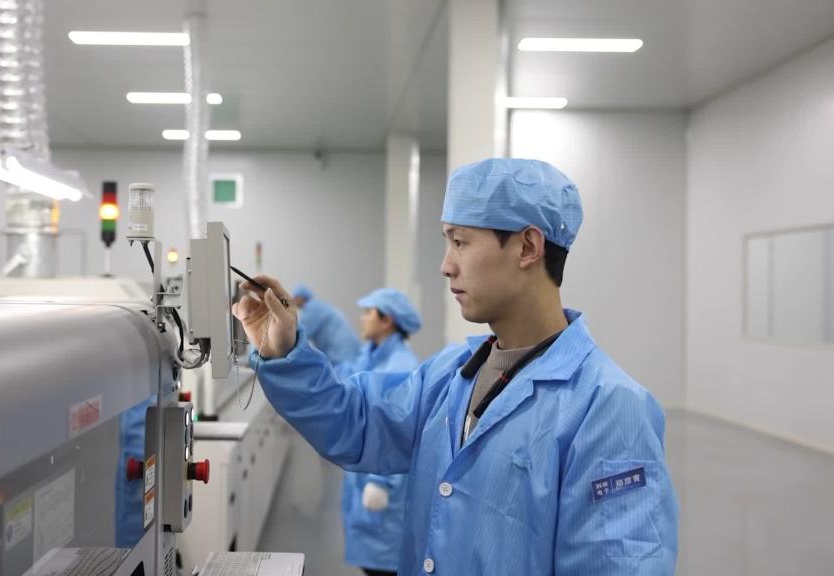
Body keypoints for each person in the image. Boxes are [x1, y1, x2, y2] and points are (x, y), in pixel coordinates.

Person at [232, 158, 679, 575]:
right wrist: (284, 351)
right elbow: (357, 422)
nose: (446, 266)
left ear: (528, 246)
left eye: (460, 241)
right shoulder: (451, 373)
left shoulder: (608, 408)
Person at [339, 288, 422, 576]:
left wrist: (381, 482)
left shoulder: (401, 365)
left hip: (383, 483)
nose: (362, 318)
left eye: (368, 312)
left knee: (384, 563)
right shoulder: (372, 357)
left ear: (387, 321)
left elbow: (404, 432)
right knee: (370, 559)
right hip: (364, 478)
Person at [291, 284, 359, 365]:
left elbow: (300, 333)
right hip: (344, 345)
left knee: (345, 369)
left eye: (295, 298)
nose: (293, 301)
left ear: (301, 297)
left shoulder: (312, 308)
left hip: (340, 347)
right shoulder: (318, 306)